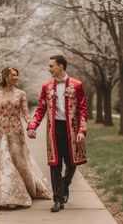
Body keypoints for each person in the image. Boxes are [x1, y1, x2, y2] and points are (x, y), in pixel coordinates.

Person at [0, 67, 52, 209]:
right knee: (5, 162)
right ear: (6, 77)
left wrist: (31, 127)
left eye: (17, 75)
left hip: (16, 133)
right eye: (13, 75)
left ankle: (26, 188)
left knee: (19, 162)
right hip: (2, 133)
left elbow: (26, 114)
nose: (16, 77)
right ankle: (8, 195)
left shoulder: (21, 94)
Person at [27, 55, 88, 212]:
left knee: (72, 162)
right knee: (55, 164)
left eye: (51, 66)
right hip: (54, 130)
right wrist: (32, 126)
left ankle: (65, 183)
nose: (49, 69)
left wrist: (82, 130)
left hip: (72, 131)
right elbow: (41, 108)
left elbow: (83, 110)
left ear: (61, 66)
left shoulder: (77, 85)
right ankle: (57, 200)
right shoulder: (46, 87)